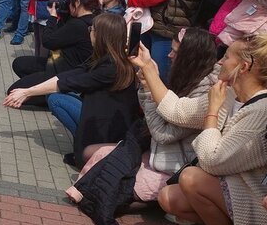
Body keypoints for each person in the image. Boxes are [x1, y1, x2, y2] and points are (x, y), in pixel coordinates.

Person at [157, 36, 267, 225]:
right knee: (170, 197)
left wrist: (212, 112)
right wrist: (148, 69)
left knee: (191, 178)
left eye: (226, 56)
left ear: (243, 67)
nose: (219, 61)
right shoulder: (230, 93)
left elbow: (211, 160)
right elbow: (179, 111)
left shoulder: (262, 109)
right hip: (237, 188)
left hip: (257, 201)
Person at [83, 28, 220, 206]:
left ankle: (153, 202)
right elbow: (156, 116)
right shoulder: (187, 77)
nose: (169, 55)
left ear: (190, 57)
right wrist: (147, 84)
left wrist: (150, 86)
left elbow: (162, 133)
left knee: (114, 189)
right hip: (156, 153)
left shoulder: (205, 96)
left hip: (173, 165)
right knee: (94, 158)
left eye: (175, 52)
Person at [3, 13, 140, 168]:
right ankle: (85, 142)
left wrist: (27, 93)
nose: (89, 32)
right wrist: (28, 91)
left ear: (100, 36)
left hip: (107, 129)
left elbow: (68, 82)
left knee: (56, 100)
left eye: (92, 29)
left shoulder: (110, 68)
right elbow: (70, 75)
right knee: (56, 95)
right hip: (102, 118)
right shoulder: (111, 58)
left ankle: (89, 149)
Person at [10, 0, 99, 84]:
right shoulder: (96, 20)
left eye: (71, 2)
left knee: (15, 88)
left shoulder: (77, 24)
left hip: (64, 71)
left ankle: (42, 89)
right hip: (65, 65)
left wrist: (52, 17)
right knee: (20, 64)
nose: (69, 5)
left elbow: (48, 41)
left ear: (77, 3)